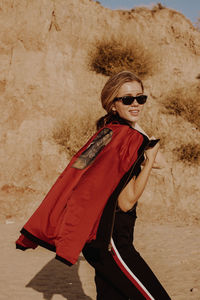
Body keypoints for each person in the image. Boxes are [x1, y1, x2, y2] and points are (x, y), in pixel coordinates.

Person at [16, 71, 171, 299]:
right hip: (113, 244)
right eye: (127, 99)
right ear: (112, 105)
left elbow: (161, 163)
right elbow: (126, 202)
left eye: (140, 98)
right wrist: (147, 158)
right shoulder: (126, 141)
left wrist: (141, 137)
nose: (136, 103)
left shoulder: (107, 135)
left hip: (95, 243)